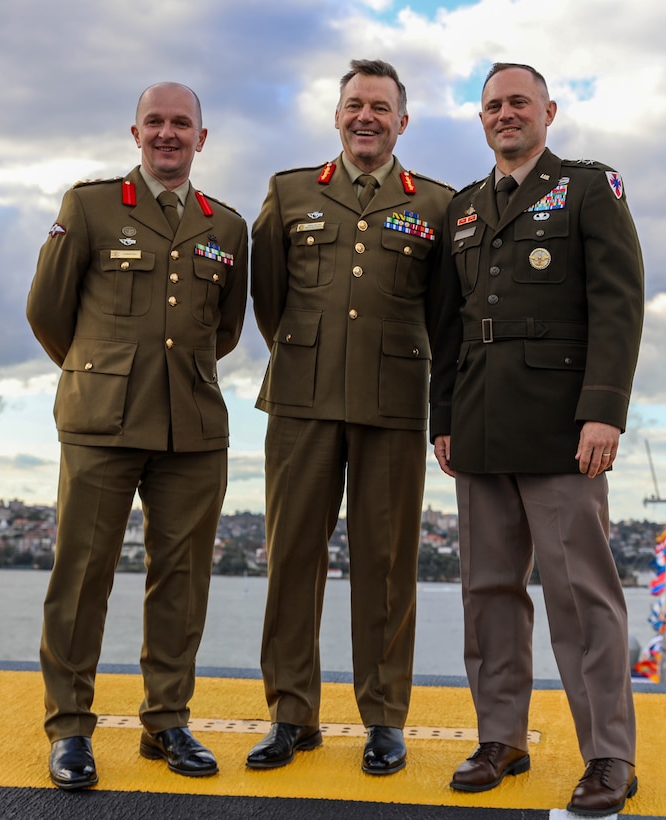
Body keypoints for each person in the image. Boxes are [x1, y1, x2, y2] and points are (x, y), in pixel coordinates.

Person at [429, 63, 644, 817]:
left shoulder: (588, 187)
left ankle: (609, 755)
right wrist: (443, 417)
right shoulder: (461, 209)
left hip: (562, 429)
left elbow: (617, 302)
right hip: (481, 426)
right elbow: (449, 326)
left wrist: (604, 410)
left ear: (548, 110)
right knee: (488, 592)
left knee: (581, 597)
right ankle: (501, 739)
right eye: (492, 106)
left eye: (518, 102)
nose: (505, 114)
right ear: (479, 119)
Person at [26, 82, 248, 790]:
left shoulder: (226, 226)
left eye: (181, 123)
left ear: (201, 138)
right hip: (101, 424)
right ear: (135, 132)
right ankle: (69, 728)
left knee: (182, 580)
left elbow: (227, 331)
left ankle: (167, 721)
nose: (167, 134)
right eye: (155, 122)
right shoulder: (89, 207)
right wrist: (101, 373)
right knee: (82, 576)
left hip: (193, 425)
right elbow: (47, 311)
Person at [247, 59, 453, 775]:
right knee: (292, 560)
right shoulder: (290, 191)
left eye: (381, 107)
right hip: (301, 401)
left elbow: (442, 313)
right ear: (336, 116)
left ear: (403, 120)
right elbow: (269, 299)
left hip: (394, 404)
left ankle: (385, 718)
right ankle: (290, 713)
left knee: (387, 567)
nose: (366, 117)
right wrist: (311, 354)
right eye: (354, 105)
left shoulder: (436, 204)